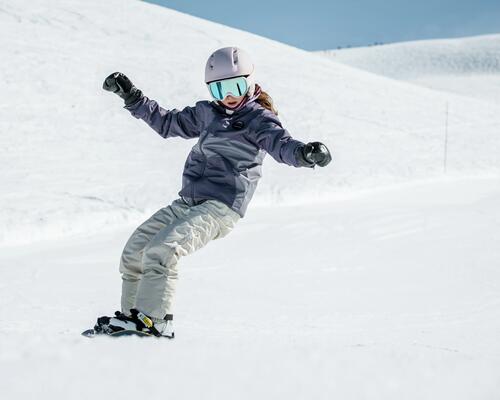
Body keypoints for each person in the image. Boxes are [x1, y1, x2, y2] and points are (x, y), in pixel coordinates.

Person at [91, 47, 331, 338]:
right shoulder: (208, 113)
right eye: (219, 88)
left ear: (250, 82)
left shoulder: (258, 119)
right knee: (134, 251)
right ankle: (132, 318)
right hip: (188, 201)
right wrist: (132, 97)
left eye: (235, 86)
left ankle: (154, 321)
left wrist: (304, 154)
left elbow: (282, 145)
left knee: (164, 249)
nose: (228, 95)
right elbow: (167, 123)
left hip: (220, 206)